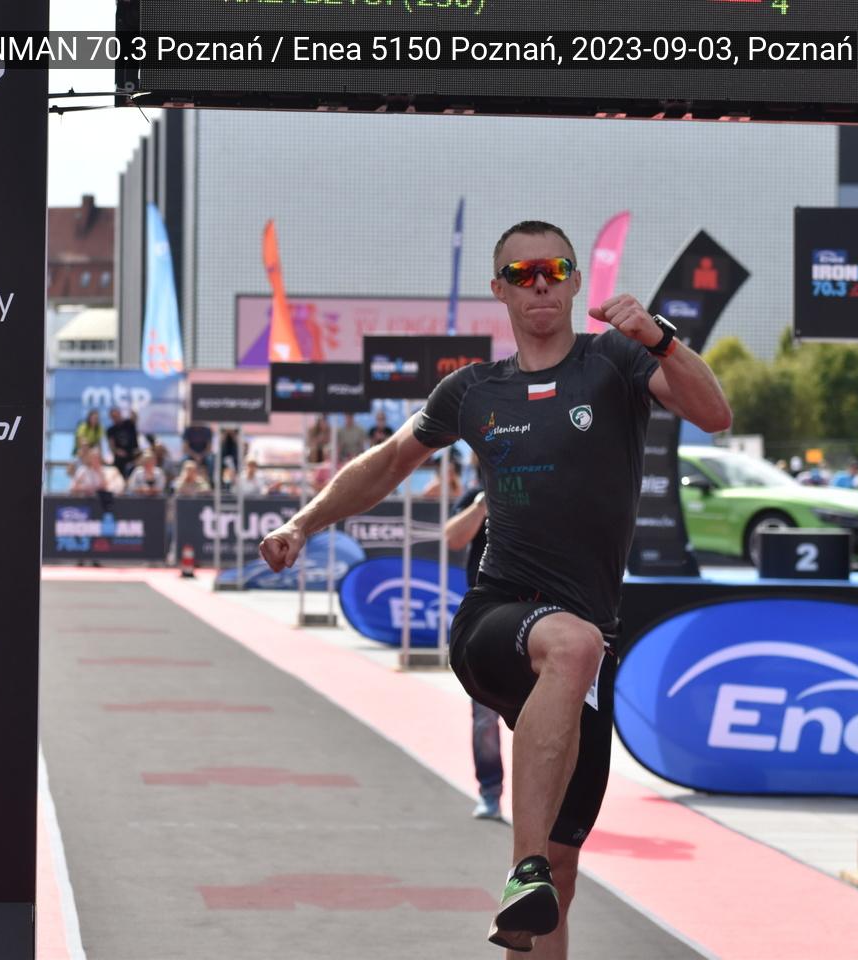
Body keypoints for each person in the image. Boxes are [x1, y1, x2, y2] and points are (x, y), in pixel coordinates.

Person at [259, 220, 730, 957]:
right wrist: (302, 523)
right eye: (521, 273)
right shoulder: (474, 390)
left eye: (554, 270)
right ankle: (523, 864)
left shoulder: (616, 360)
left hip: (587, 649)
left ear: (575, 282)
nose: (539, 283)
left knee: (560, 885)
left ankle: (534, 881)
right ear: (500, 291)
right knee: (571, 645)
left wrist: (661, 338)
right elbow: (387, 462)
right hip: (495, 621)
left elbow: (715, 414)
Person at [444, 456, 504, 822]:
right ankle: (490, 792)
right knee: (484, 715)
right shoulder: (475, 497)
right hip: (484, 616)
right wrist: (482, 505)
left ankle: (549, 806)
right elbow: (453, 538)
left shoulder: (540, 495)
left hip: (535, 610)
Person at [106, 407, 140, 480]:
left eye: (117, 415)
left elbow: (135, 417)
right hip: (121, 456)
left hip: (134, 452)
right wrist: (117, 451)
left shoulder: (129, 423)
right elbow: (111, 445)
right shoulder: (110, 430)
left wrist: (132, 408)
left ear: (120, 414)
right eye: (113, 416)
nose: (116, 417)